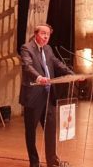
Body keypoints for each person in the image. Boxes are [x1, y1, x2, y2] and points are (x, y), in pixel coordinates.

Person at [20, 24, 75, 167]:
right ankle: (34, 162)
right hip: (33, 96)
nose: (46, 36)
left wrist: (72, 74)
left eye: (48, 34)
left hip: (49, 96)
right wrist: (39, 78)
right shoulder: (27, 48)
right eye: (43, 33)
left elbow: (57, 64)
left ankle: (52, 161)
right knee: (31, 132)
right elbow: (27, 66)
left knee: (51, 130)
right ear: (36, 33)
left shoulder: (48, 49)